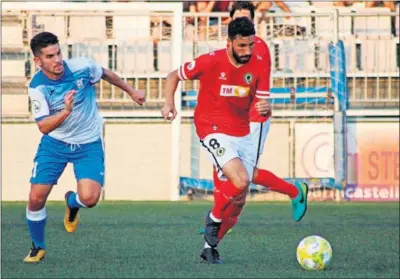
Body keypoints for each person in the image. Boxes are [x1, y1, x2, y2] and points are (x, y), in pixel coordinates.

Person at [161, 17, 308, 264]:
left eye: (250, 45)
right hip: (212, 128)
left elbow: (263, 107)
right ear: (229, 42)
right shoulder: (210, 61)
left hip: (243, 131)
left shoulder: (258, 63)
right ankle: (215, 218)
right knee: (239, 179)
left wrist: (265, 107)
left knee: (240, 192)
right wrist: (168, 103)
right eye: (241, 46)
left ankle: (209, 247)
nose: (247, 51)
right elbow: (172, 76)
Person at [24, 32, 145, 263]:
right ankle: (37, 247)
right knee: (36, 199)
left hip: (88, 143)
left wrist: (131, 91)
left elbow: (105, 73)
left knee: (89, 199)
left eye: (58, 53)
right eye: (50, 56)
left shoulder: (81, 67)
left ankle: (72, 203)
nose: (57, 59)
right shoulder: (37, 87)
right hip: (55, 144)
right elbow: (43, 127)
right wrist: (66, 111)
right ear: (38, 61)